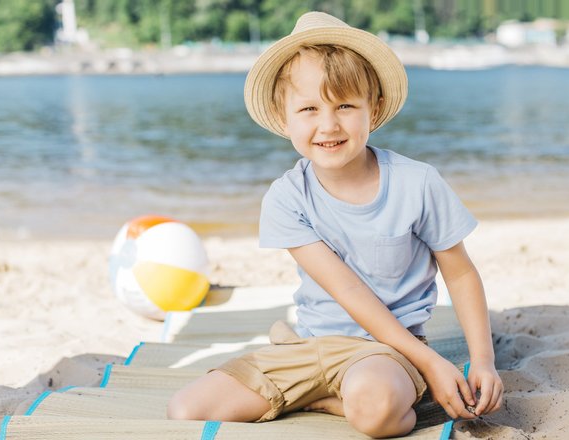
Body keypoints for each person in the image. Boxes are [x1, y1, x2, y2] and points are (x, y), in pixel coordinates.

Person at [167, 11, 503, 438]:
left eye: (345, 105)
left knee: (376, 413)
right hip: (311, 346)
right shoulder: (287, 197)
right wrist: (436, 366)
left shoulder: (417, 183)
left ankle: (332, 399)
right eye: (309, 108)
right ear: (283, 116)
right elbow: (347, 290)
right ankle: (321, 389)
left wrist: (478, 360)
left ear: (374, 108)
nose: (328, 125)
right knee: (187, 409)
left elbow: (461, 272)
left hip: (387, 351)